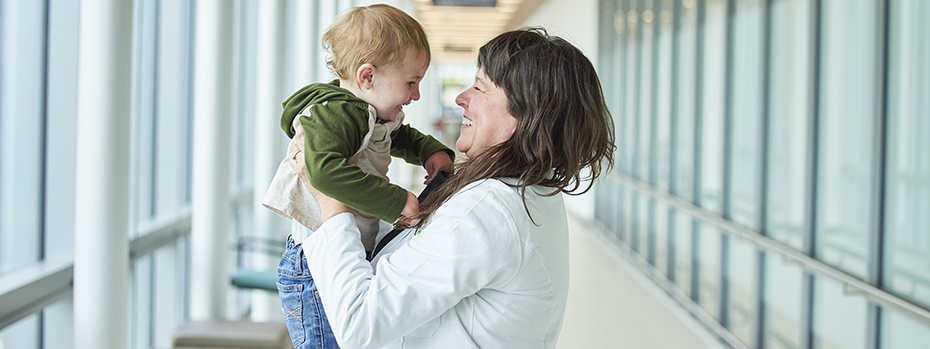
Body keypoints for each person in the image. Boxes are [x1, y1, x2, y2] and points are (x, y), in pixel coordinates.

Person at [287, 27, 616, 348]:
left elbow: (359, 323)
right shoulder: (523, 192)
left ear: (526, 112)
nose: (461, 98)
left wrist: (329, 197)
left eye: (479, 87)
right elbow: (422, 258)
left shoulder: (489, 210)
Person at [265, 4, 454, 349]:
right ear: (368, 77)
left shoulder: (365, 113)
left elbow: (396, 135)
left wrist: (429, 151)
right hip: (314, 267)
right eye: (411, 82)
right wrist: (396, 200)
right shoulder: (336, 113)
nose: (416, 95)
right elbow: (323, 172)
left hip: (335, 255)